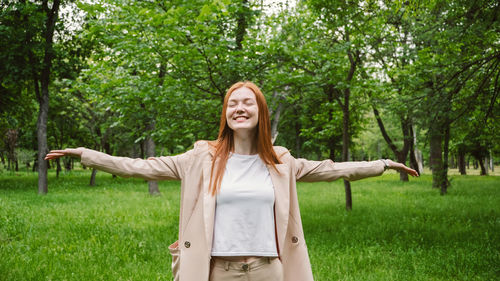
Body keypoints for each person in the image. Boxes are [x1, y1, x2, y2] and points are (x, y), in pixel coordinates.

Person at [46, 81, 418, 281]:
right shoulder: (199, 159)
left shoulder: (282, 161)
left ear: (260, 112)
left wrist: (383, 163)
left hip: (269, 269)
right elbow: (139, 166)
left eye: (248, 102)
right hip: (217, 271)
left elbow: (331, 170)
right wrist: (86, 154)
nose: (240, 108)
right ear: (226, 113)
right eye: (232, 103)